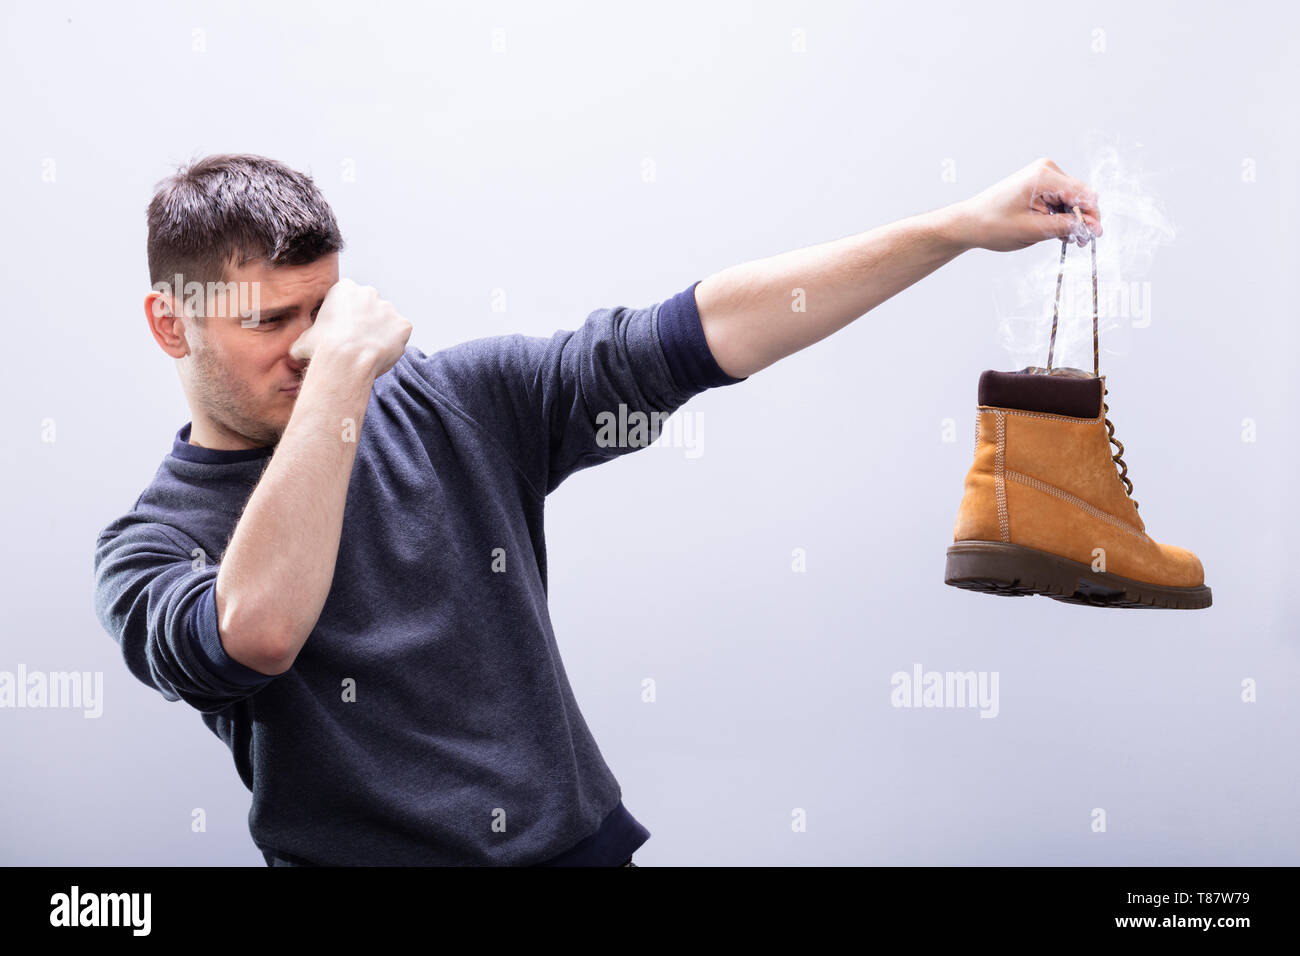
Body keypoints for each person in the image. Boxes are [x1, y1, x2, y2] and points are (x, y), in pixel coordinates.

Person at [92, 153, 1101, 866]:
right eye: (272, 322)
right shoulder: (149, 547)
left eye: (327, 310)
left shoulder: (457, 402)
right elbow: (257, 630)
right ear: (167, 323)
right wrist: (344, 379)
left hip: (576, 849)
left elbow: (688, 338)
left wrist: (952, 230)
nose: (311, 346)